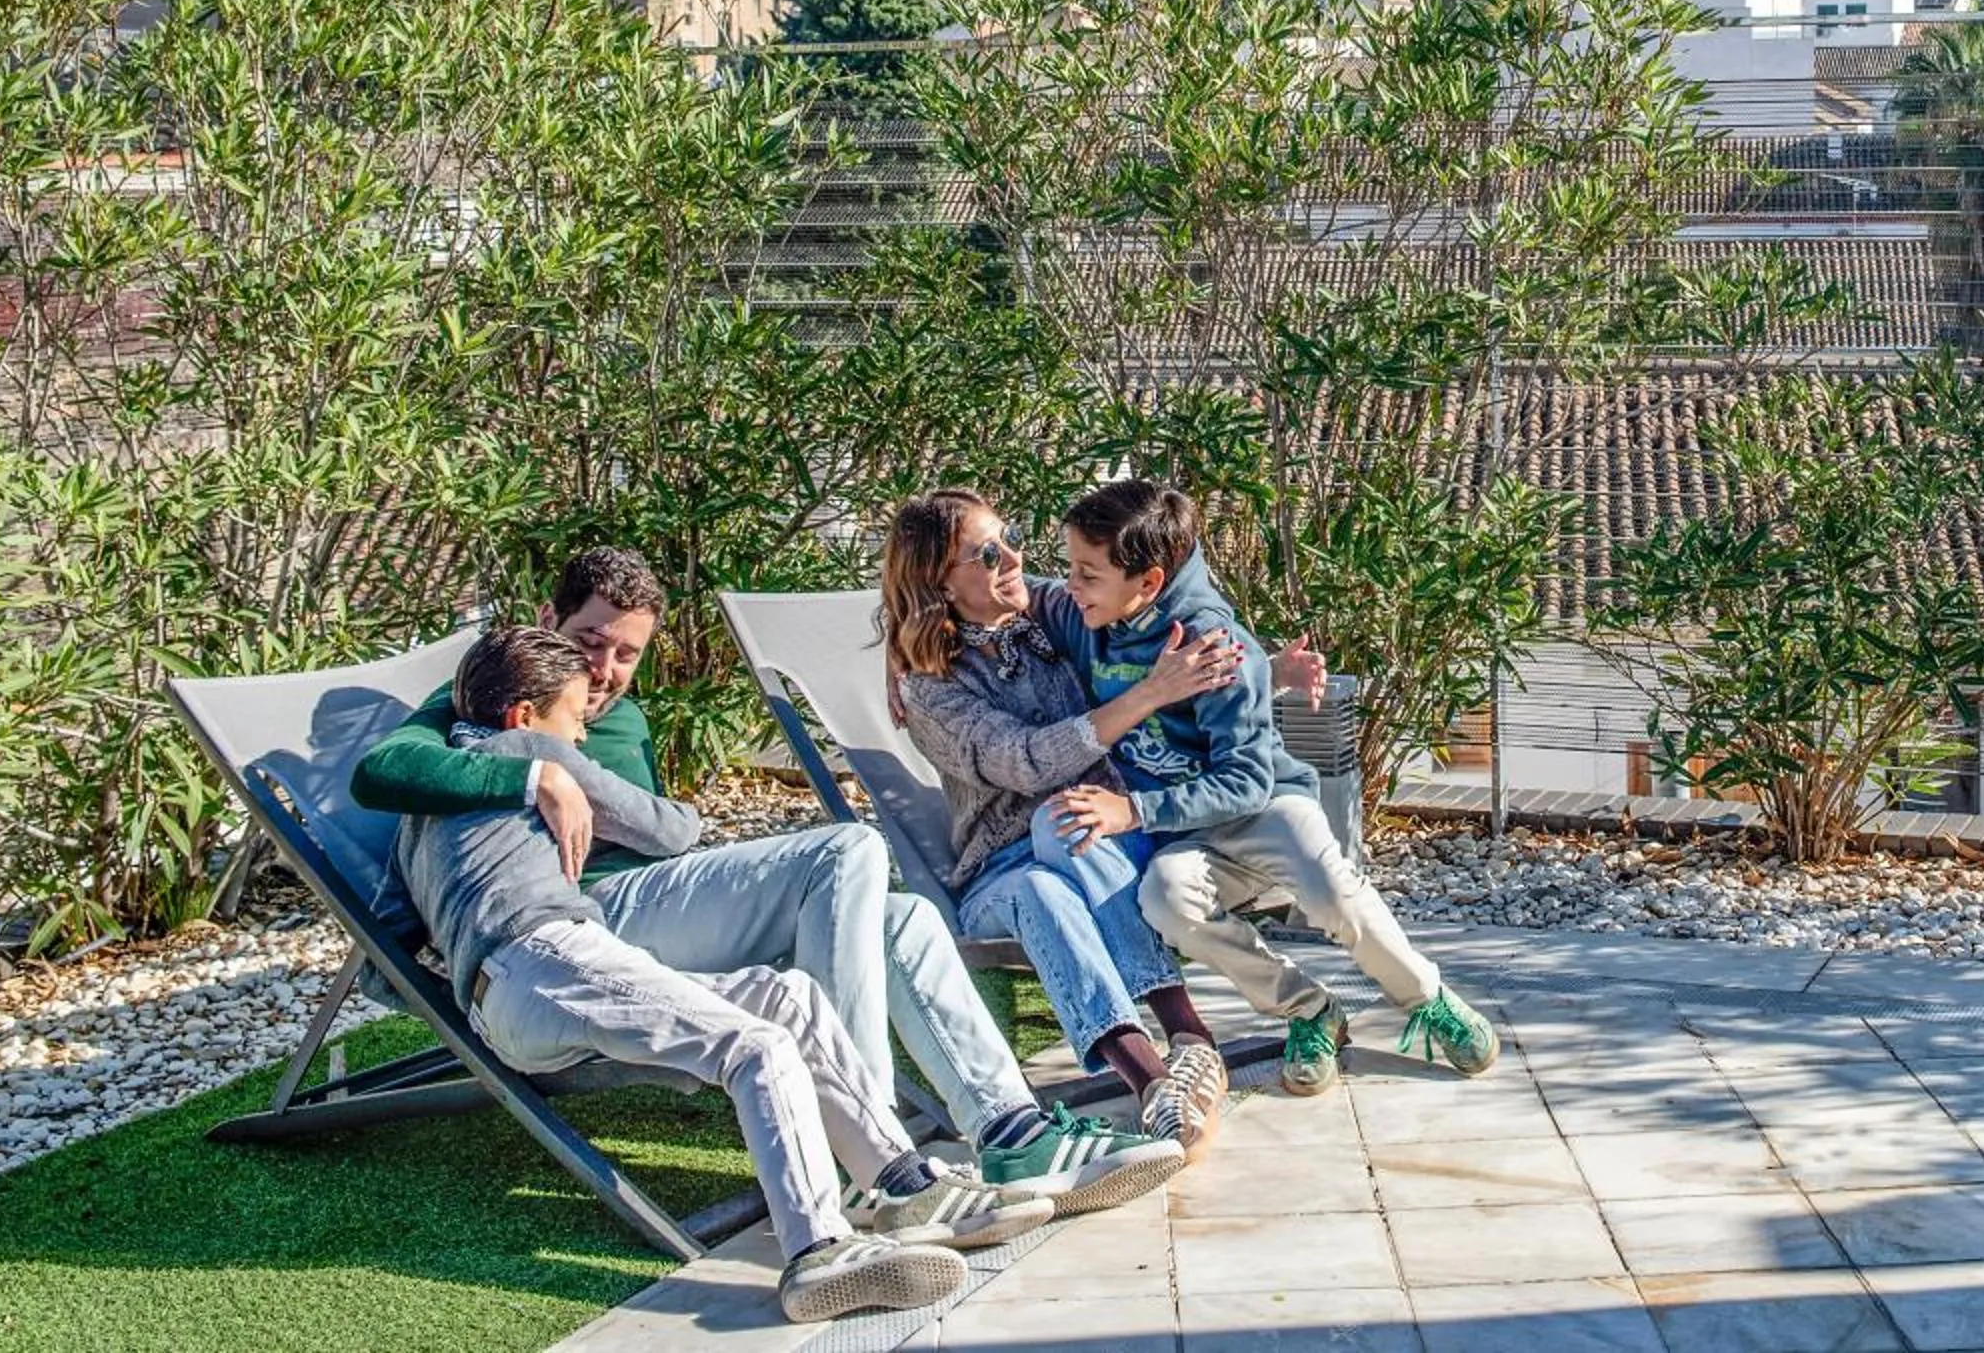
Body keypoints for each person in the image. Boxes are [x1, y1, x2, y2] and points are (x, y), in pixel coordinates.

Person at [353, 546, 1178, 1210]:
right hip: (580, 922)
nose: (602, 670)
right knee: (844, 850)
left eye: (625, 654)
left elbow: (670, 836)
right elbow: (385, 769)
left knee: (904, 919)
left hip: (663, 908)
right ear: (547, 624)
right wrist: (538, 777)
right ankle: (872, 1143)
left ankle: (1008, 1128)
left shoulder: (621, 714)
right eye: (589, 642)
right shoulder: (499, 701)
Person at [403, 627, 1048, 1322]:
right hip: (542, 956)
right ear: (524, 717)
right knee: (758, 1043)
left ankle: (902, 1185)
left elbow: (400, 930)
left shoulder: (418, 808)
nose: (583, 739)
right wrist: (592, 786)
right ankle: (818, 1252)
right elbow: (665, 830)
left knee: (789, 998)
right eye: (574, 721)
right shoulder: (531, 752)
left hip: (525, 979)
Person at [879, 491, 1316, 1154]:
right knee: (1047, 864)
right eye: (989, 552)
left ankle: (1186, 1045)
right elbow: (1026, 762)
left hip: (1109, 836)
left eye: (1013, 535)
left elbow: (1152, 600)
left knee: (1070, 822)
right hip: (1002, 874)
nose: (1015, 558)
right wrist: (1151, 695)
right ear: (939, 580)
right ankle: (1157, 1075)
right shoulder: (929, 689)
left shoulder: (1046, 611)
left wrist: (1260, 667)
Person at [1049, 479, 1501, 1098]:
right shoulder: (1091, 615)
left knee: (1328, 890)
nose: (1071, 585)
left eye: (1086, 573)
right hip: (1190, 832)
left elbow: (1245, 780)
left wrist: (1132, 809)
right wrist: (899, 662)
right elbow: (1004, 603)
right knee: (1167, 899)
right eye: (1070, 569)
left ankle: (1426, 997)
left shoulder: (1211, 644)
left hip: (1264, 808)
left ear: (1149, 582)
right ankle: (1311, 1011)